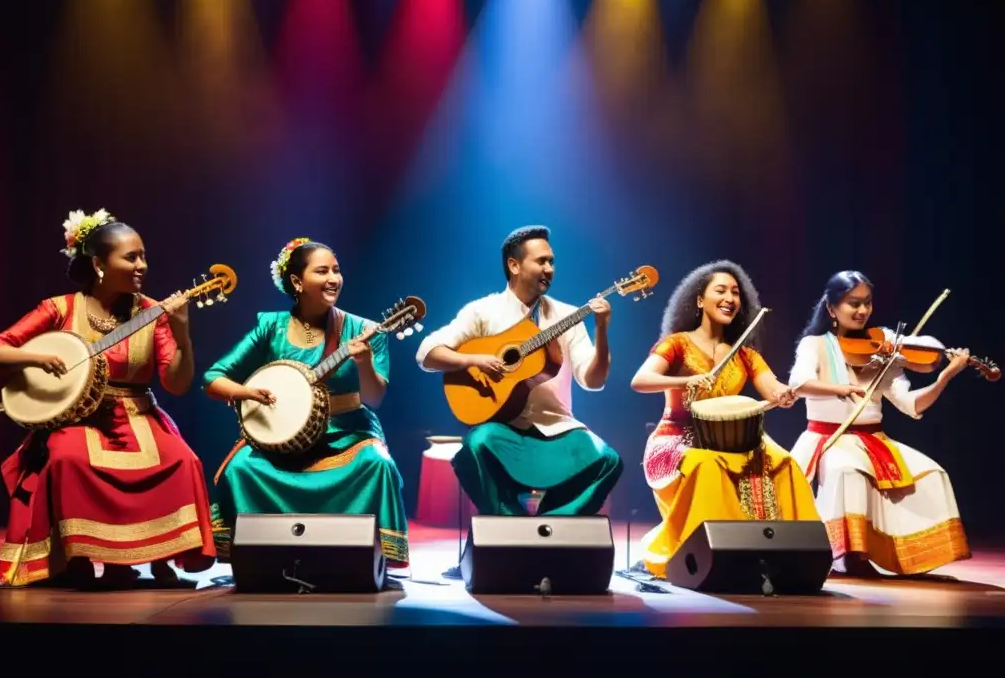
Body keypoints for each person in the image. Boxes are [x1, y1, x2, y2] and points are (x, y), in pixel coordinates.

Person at [0, 209, 216, 588]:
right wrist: (40, 357)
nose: (142, 265)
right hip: (77, 418)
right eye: (131, 257)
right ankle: (78, 558)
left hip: (138, 414)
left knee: (183, 460)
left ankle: (147, 555)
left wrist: (183, 335)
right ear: (98, 264)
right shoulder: (59, 308)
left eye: (143, 255)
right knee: (68, 458)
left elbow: (176, 383)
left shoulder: (153, 313)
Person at [204, 238, 410, 569]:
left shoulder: (366, 330)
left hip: (348, 432)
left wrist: (365, 364)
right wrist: (249, 394)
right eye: (322, 271)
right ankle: (262, 559)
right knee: (240, 468)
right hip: (282, 437)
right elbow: (214, 378)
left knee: (377, 465)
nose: (334, 278)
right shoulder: (269, 326)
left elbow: (374, 399)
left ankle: (360, 558)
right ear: (297, 282)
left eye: (337, 270)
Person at [415, 225, 622, 517]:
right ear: (514, 265)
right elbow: (427, 353)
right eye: (541, 261)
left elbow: (593, 381)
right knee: (475, 446)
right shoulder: (482, 311)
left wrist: (601, 330)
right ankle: (507, 524)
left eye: (552, 261)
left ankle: (553, 525)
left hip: (557, 428)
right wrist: (474, 361)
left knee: (608, 460)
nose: (549, 268)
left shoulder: (567, 315)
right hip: (503, 429)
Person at [630, 260, 819, 578]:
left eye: (735, 292)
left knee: (786, 464)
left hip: (736, 442)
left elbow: (771, 388)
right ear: (700, 300)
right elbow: (640, 380)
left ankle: (792, 558)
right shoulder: (676, 344)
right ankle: (712, 558)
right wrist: (683, 382)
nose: (730, 297)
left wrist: (784, 394)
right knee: (707, 466)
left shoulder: (745, 353)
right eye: (721, 290)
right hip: (677, 439)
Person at [787, 271, 971, 576]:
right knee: (847, 470)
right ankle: (849, 554)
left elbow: (910, 404)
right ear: (832, 309)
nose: (862, 311)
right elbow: (799, 383)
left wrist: (944, 377)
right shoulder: (815, 344)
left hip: (874, 439)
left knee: (934, 474)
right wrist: (841, 388)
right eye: (853, 303)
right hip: (829, 438)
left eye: (867, 303)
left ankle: (905, 553)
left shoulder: (883, 346)